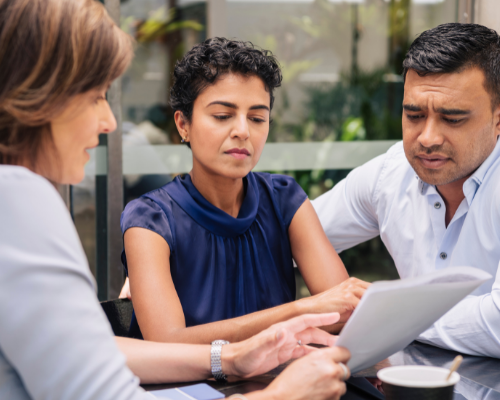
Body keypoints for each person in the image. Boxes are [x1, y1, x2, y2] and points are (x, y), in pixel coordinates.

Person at [0, 0, 352, 399]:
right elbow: (124, 370)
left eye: (257, 117)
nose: (110, 122)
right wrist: (281, 391)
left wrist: (232, 357)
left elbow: (84, 348)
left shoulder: (283, 196)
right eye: (95, 96)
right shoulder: (22, 200)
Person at [120, 38, 369, 343]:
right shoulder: (150, 220)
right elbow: (169, 342)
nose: (242, 131)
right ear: (183, 125)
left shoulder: (284, 199)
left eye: (257, 118)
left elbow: (344, 312)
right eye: (223, 116)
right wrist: (301, 311)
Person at [312, 22, 500, 358]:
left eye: (452, 119)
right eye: (413, 114)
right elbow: (294, 237)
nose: (427, 138)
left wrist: (386, 316)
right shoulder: (390, 173)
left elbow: (497, 325)